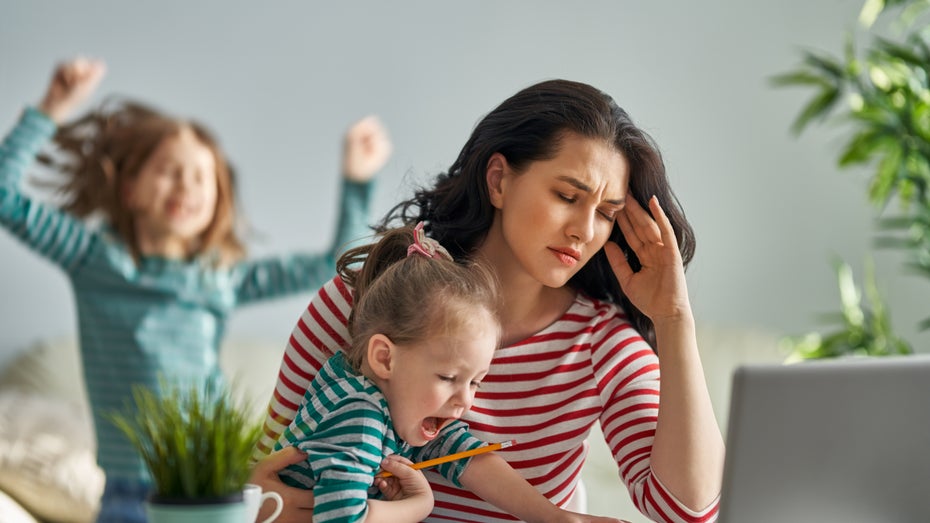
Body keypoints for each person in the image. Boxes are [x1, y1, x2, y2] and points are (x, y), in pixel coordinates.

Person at [251, 79, 725, 523]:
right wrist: (260, 502)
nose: (584, 230)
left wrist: (674, 319)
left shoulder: (602, 345)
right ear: (498, 181)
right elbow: (260, 474)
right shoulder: (363, 302)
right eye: (566, 195)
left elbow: (686, 512)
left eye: (606, 213)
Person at [0, 58, 391, 523]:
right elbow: (6, 197)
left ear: (216, 202)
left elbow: (338, 265)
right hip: (129, 494)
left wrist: (357, 180)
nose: (187, 183)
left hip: (214, 488)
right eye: (169, 169)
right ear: (129, 190)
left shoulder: (218, 278)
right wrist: (52, 107)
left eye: (202, 176)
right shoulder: (94, 259)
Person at [274, 223, 622, 523]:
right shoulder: (359, 416)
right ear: (384, 358)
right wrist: (417, 506)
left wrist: (554, 516)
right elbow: (340, 518)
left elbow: (464, 454)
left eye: (475, 382)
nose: (465, 400)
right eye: (448, 378)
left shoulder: (386, 397)